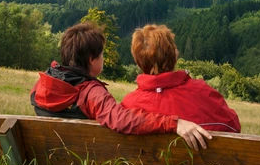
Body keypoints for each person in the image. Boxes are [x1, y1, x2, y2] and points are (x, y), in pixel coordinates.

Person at [30, 22, 212, 151]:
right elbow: (121, 120)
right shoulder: (92, 94)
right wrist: (174, 123)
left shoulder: (43, 84)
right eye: (101, 55)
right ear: (91, 60)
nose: (103, 59)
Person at [121, 24, 241, 133]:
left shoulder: (128, 106)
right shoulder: (202, 93)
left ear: (138, 61)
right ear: (174, 55)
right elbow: (233, 126)